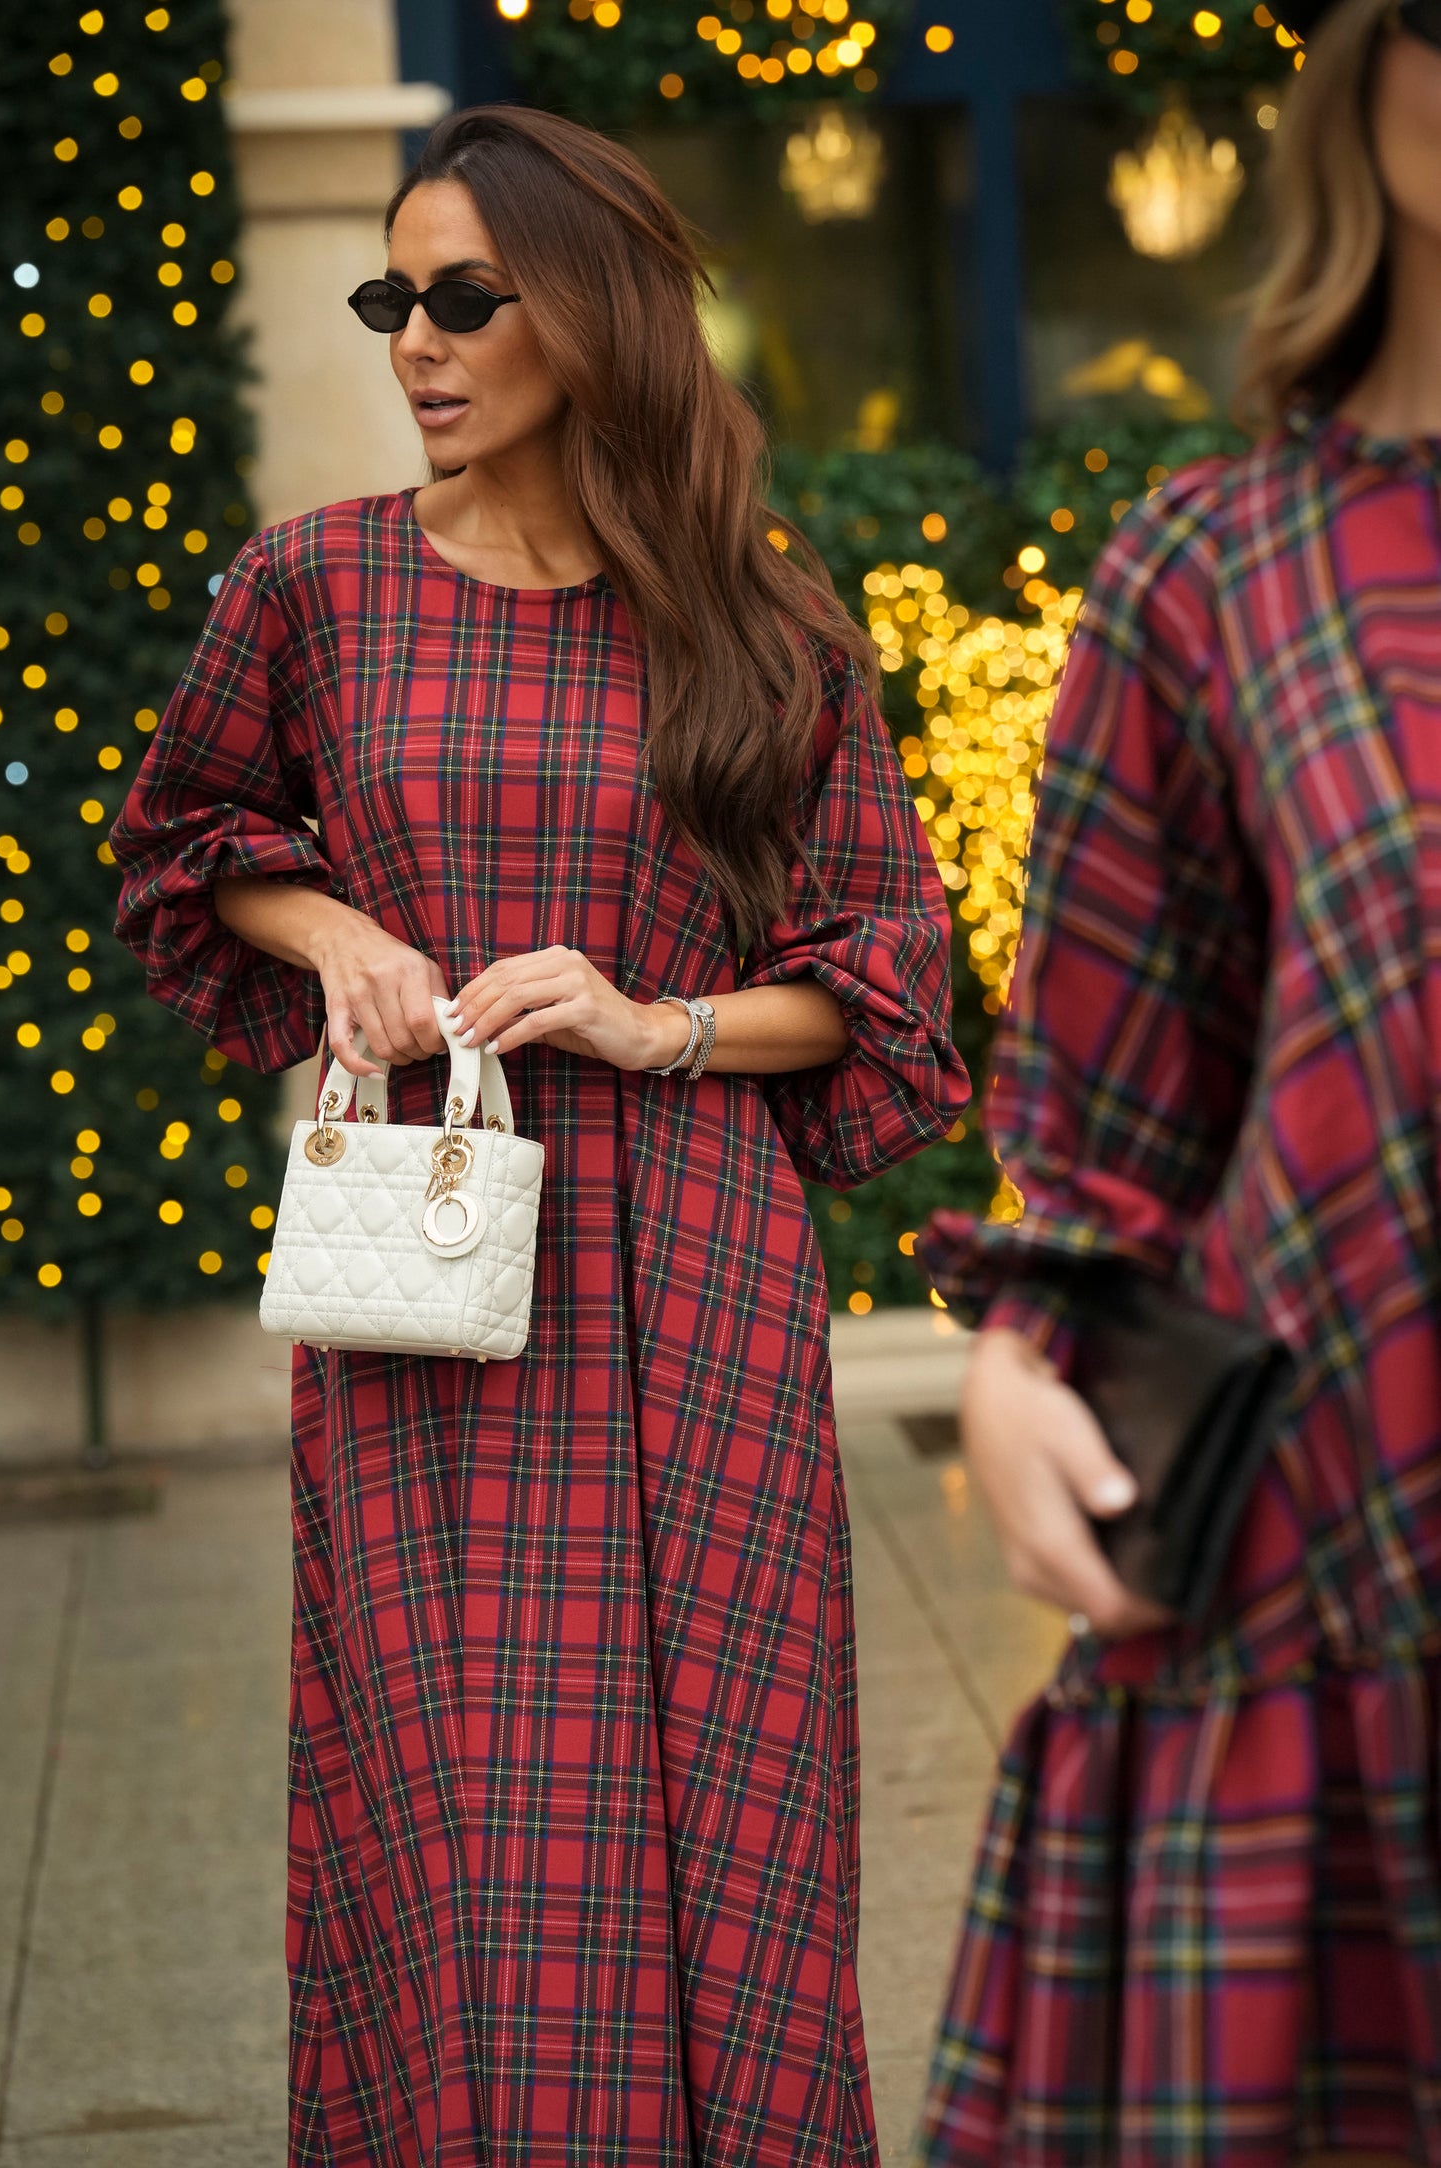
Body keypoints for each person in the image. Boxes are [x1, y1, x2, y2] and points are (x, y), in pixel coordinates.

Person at [111, 105, 968, 2168]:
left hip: (695, 1278)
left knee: (725, 1804)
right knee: (461, 1811)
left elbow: (886, 976)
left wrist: (650, 1017)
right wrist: (335, 934)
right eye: (391, 294)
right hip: (426, 1272)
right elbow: (184, 848)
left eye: (464, 297)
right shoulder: (314, 580)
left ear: (589, 316)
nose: (416, 338)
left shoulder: (758, 617)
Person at [915, 0, 1441, 2161]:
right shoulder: (1226, 563)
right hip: (1348, 1541)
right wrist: (1025, 1360)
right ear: (1379, 92)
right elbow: (1115, 1108)